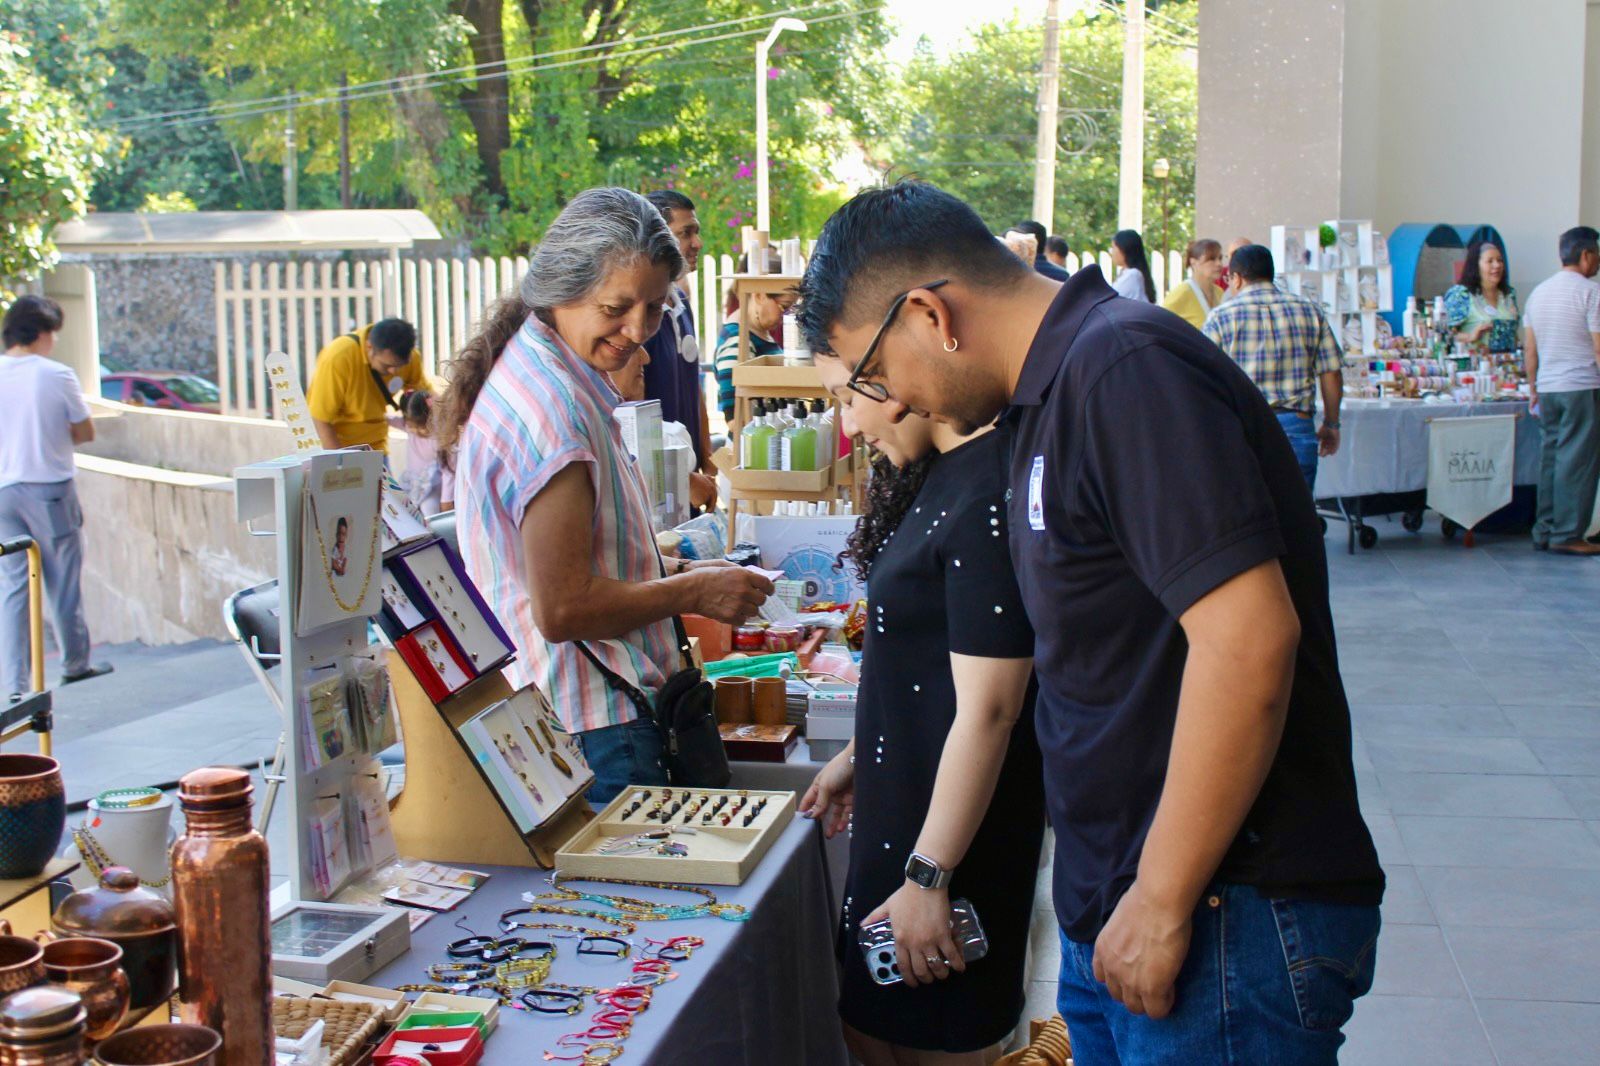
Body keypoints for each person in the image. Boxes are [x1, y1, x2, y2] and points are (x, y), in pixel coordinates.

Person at [797, 181, 1383, 1065]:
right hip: (1125, 898)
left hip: (1223, 910)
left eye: (875, 376)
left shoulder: (1125, 369)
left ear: (928, 314)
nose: (891, 402)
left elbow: (1250, 641)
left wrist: (1161, 897)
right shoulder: (1045, 398)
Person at [440, 188, 773, 801]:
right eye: (617, 307)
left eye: (654, 308)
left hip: (577, 711)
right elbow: (564, 609)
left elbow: (574, 560)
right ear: (561, 289)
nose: (638, 331)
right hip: (596, 720)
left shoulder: (546, 371)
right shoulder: (556, 414)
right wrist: (695, 589)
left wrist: (667, 567)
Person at [800, 353, 1043, 1065]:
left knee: (926, 1040)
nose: (847, 427)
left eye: (846, 400)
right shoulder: (942, 475)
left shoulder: (982, 491)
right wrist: (855, 758)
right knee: (878, 1035)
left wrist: (929, 876)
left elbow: (993, 709)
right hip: (909, 819)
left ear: (890, 381)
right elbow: (926, 663)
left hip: (946, 843)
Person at [0, 296, 112, 697]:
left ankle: (14, 685)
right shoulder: (56, 374)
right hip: (49, 488)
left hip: (3, 492)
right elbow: (85, 432)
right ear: (42, 333)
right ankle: (75, 663)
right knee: (62, 581)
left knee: (14, 586)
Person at [1204, 244, 1344, 491]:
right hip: (1297, 425)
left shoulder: (1221, 317)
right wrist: (1332, 423)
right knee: (1298, 518)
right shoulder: (1310, 312)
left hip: (1243, 428)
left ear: (1236, 278)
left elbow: (1206, 378)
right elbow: (1331, 371)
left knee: (1251, 519)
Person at [1523, 225, 1600, 555]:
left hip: (1549, 387)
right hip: (1581, 386)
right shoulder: (1590, 292)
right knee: (1578, 461)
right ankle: (1568, 534)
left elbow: (1530, 350)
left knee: (1552, 457)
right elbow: (1599, 348)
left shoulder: (1538, 293)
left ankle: (1545, 529)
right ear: (1585, 255)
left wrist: (1533, 389)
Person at [642, 191, 717, 511]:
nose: (697, 242)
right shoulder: (640, 314)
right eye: (686, 233)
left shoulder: (681, 303)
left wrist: (708, 458)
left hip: (688, 480)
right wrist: (683, 477)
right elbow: (628, 412)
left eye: (696, 231)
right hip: (655, 484)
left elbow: (694, 385)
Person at [306, 318, 430, 453]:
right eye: (387, 366)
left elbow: (425, 396)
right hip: (339, 446)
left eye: (399, 366)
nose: (393, 372)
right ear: (369, 346)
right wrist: (341, 462)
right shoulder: (338, 358)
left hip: (376, 448)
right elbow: (319, 419)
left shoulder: (411, 357)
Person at [712, 271, 793, 423]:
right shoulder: (737, 339)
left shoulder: (761, 333)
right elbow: (735, 417)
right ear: (759, 296)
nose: (786, 315)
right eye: (784, 307)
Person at [1443, 240, 1520, 353]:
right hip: (1475, 366)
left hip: (1509, 365)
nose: (1497, 265)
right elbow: (1444, 336)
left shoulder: (1508, 294)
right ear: (1476, 265)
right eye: (1490, 261)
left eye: (1500, 260)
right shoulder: (1461, 294)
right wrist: (1470, 337)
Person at [398, 390, 451, 516]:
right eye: (412, 427)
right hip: (415, 484)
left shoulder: (442, 438)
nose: (417, 431)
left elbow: (448, 472)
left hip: (435, 486)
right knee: (404, 510)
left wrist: (446, 500)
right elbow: (388, 420)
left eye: (421, 427)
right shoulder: (410, 428)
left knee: (429, 510)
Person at [1159, 238, 1224, 329]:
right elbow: (1159, 325)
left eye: (1220, 258)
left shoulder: (1219, 292)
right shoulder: (1181, 293)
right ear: (1193, 262)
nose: (1219, 264)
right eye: (1211, 259)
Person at [1109, 229, 1156, 302]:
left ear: (1124, 249)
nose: (1112, 252)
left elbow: (1111, 300)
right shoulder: (1128, 273)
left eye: (1113, 247)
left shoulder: (1133, 275)